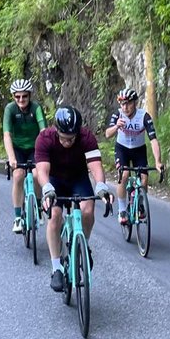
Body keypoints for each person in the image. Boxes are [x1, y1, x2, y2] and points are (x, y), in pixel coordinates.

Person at [34, 105, 113, 292]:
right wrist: (46, 189)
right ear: (56, 130)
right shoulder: (45, 138)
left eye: (72, 138)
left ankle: (82, 245)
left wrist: (101, 186)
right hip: (54, 180)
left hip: (78, 178)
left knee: (87, 210)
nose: (68, 142)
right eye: (64, 138)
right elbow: (42, 170)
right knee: (54, 216)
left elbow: (95, 166)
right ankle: (56, 269)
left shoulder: (86, 137)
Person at [105, 87, 163, 225]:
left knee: (144, 179)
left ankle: (141, 203)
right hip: (122, 149)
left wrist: (158, 162)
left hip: (139, 150)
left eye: (128, 103)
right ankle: (122, 209)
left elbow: (153, 140)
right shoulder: (118, 115)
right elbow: (107, 134)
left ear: (135, 103)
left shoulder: (144, 116)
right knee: (124, 175)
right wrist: (116, 127)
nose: (125, 107)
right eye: (122, 104)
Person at [3, 78, 46, 234]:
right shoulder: (10, 109)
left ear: (29, 96)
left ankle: (39, 207)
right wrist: (11, 158)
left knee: (36, 175)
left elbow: (44, 133)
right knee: (19, 175)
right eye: (17, 97)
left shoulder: (36, 108)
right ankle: (17, 217)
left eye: (24, 96)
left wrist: (44, 155)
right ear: (14, 97)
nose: (21, 100)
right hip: (17, 149)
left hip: (36, 148)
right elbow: (7, 135)